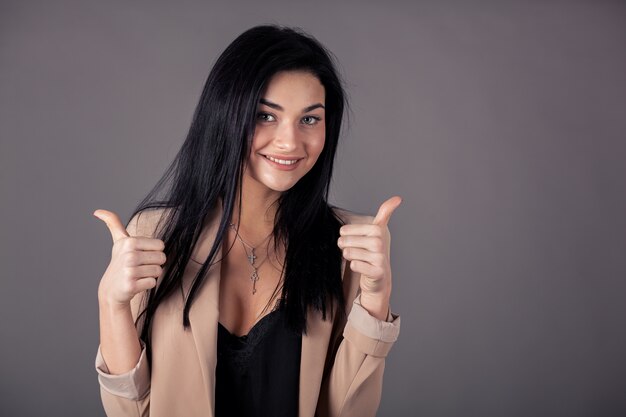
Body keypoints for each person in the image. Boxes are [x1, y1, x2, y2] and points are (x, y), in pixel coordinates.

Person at [92, 24, 402, 417]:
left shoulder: (350, 246)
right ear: (226, 114)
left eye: (310, 119)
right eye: (265, 116)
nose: (290, 142)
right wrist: (112, 304)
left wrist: (376, 300)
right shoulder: (157, 236)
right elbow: (129, 412)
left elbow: (347, 411)